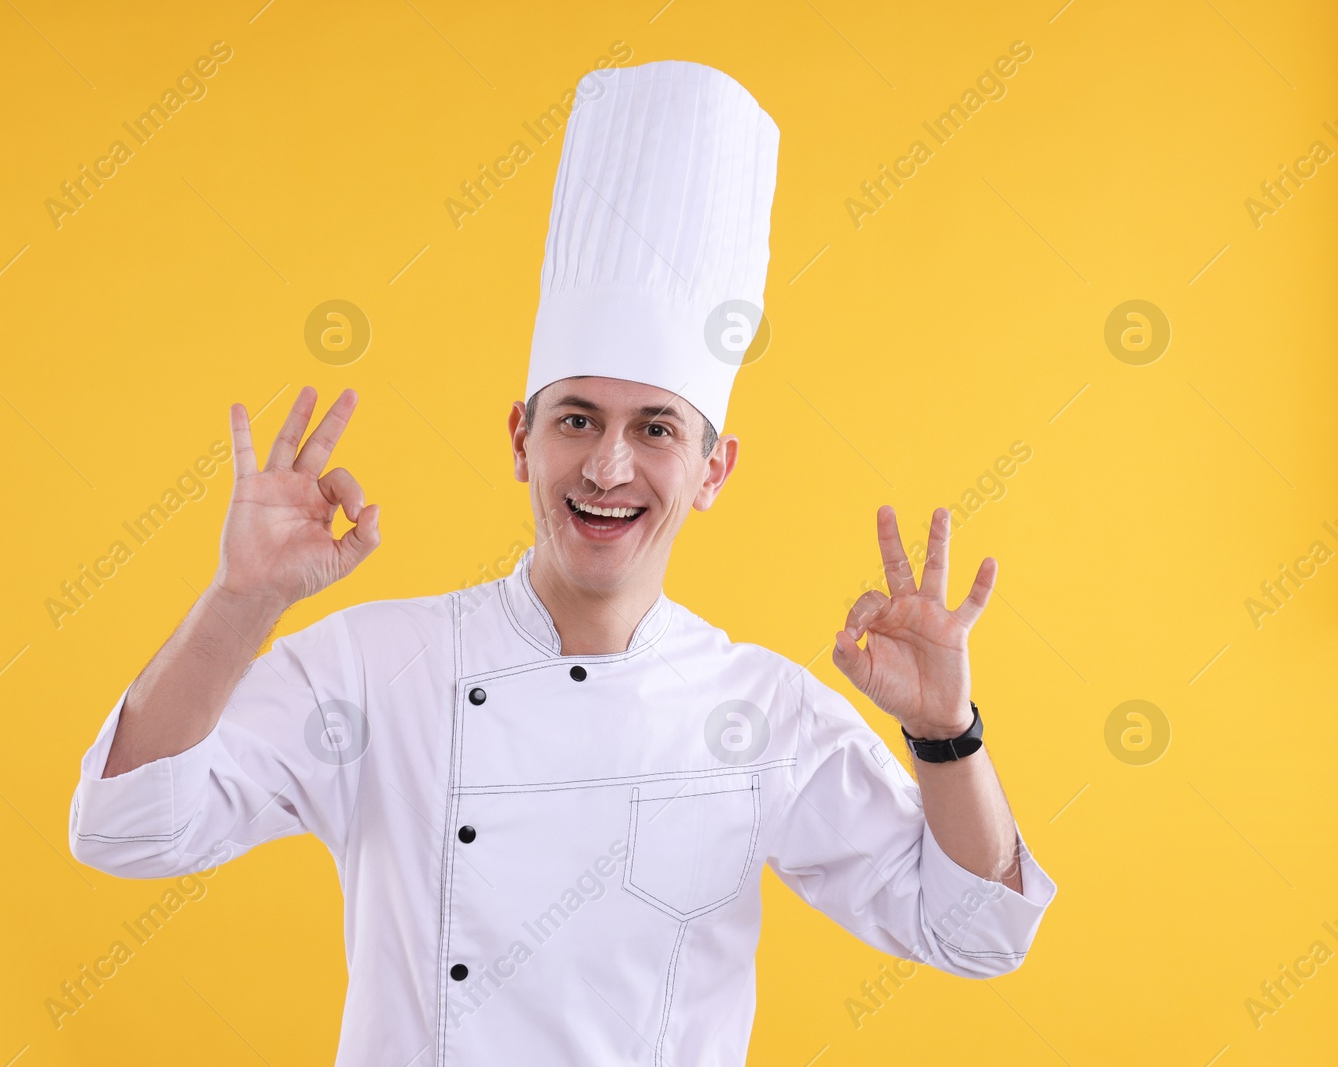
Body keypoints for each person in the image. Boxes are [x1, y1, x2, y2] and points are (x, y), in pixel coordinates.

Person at [68, 60, 1056, 1063]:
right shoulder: (379, 665)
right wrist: (241, 600)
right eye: (576, 418)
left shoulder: (759, 713)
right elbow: (124, 827)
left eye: (656, 429)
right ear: (518, 438)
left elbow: (971, 932)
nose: (608, 465)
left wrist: (944, 733)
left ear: (713, 469)